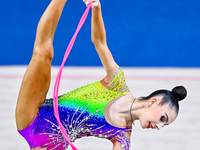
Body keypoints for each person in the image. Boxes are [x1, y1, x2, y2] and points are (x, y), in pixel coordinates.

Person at [15, 0, 187, 150]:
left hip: (51, 146)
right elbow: (99, 42)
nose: (159, 126)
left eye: (164, 125)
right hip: (33, 113)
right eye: (162, 119)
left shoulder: (123, 137)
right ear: (153, 102)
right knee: (44, 53)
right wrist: (96, 8)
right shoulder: (117, 83)